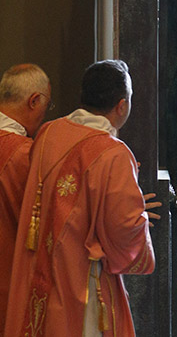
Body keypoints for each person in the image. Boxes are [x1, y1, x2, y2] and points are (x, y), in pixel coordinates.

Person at [4, 60, 161, 337]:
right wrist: (140, 217)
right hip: (83, 279)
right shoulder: (113, 153)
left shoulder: (48, 133)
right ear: (122, 106)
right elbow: (123, 230)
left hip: (41, 270)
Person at [0, 63, 52, 336]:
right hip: (8, 281)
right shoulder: (24, 156)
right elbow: (57, 214)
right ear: (34, 101)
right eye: (47, 106)